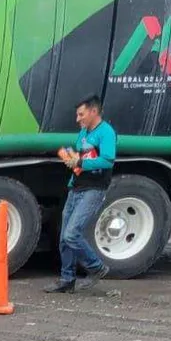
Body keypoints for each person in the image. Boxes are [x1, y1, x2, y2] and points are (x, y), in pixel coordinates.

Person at [46, 95, 117, 294]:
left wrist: (80, 162)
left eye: (81, 114)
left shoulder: (106, 132)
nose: (78, 119)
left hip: (94, 189)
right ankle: (67, 279)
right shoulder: (84, 132)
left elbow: (108, 160)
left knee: (72, 234)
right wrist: (73, 161)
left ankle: (96, 267)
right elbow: (80, 156)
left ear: (94, 111)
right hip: (76, 188)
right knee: (64, 238)